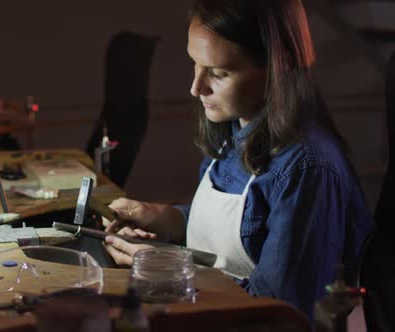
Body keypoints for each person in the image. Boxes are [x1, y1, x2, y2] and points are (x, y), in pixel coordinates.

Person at [102, 0, 374, 321]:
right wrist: (167, 218)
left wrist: (169, 269)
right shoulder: (235, 128)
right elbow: (245, 230)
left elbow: (280, 315)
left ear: (277, 67)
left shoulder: (307, 169)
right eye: (195, 64)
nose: (196, 88)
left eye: (219, 73)